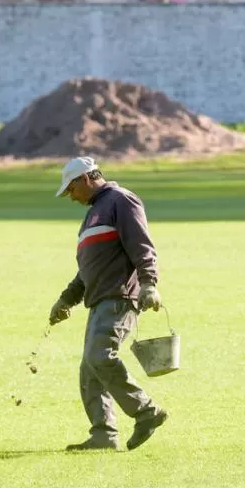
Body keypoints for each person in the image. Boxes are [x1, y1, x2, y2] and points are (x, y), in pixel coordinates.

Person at [49, 156, 169, 452]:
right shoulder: (93, 214)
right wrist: (66, 299)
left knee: (100, 357)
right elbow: (88, 269)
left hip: (120, 297)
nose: (71, 197)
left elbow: (142, 246)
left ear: (85, 179)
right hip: (99, 300)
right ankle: (104, 434)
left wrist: (150, 284)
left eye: (71, 190)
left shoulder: (121, 200)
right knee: (90, 367)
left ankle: (147, 412)